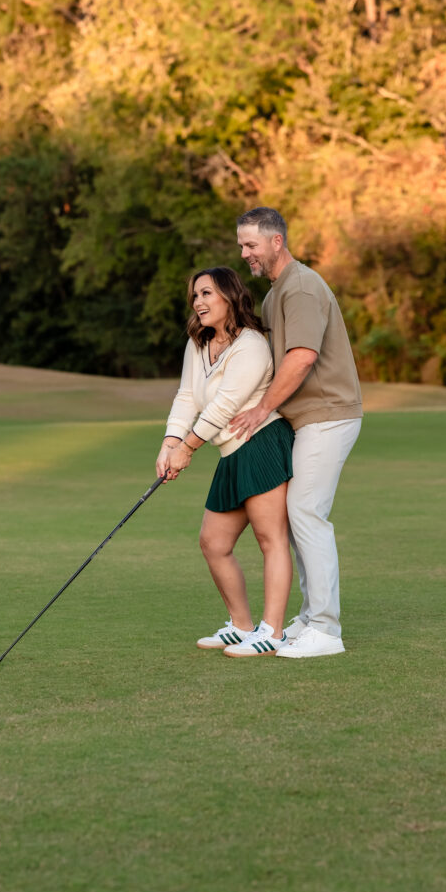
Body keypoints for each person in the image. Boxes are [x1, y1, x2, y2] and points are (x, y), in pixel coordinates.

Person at [230, 207, 363, 659]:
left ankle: (326, 630)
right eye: (242, 244)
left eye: (251, 244)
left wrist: (262, 409)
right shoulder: (274, 295)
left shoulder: (301, 287)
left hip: (328, 415)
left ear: (276, 242)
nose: (244, 252)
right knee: (297, 513)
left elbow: (302, 357)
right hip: (305, 420)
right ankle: (309, 619)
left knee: (307, 512)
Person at [156, 267, 295, 658]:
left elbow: (225, 405)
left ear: (230, 296)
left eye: (206, 294)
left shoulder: (251, 344)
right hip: (230, 452)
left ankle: (273, 632)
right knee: (213, 542)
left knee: (270, 540)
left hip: (262, 443)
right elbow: (187, 397)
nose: (198, 302)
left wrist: (187, 449)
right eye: (195, 296)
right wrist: (169, 443)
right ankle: (240, 625)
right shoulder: (198, 344)